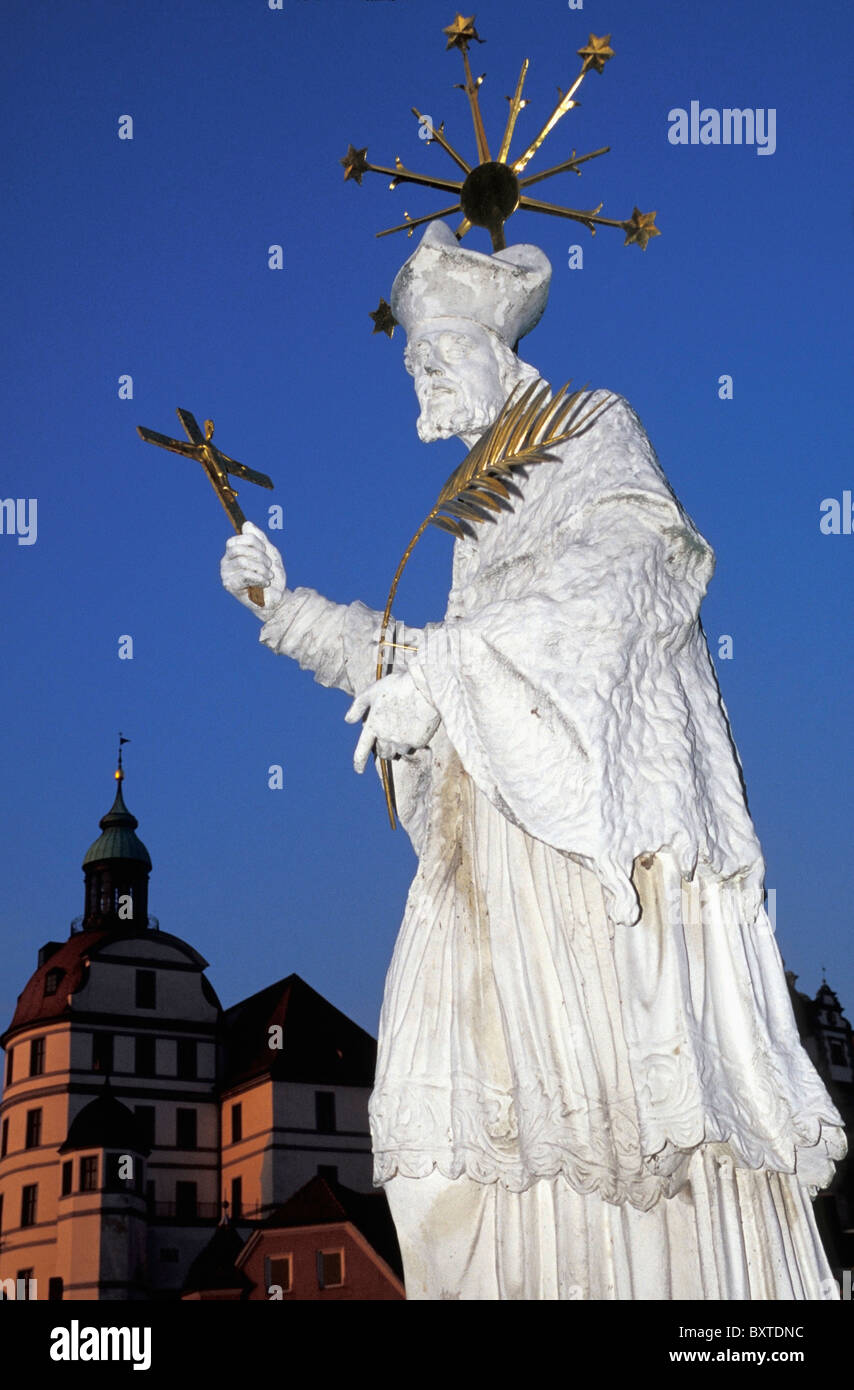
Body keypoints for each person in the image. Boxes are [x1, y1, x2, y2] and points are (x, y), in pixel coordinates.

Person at [221, 222, 844, 1300]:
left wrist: (451, 672)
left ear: (485, 346)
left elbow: (630, 577)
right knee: (436, 1161)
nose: (416, 384)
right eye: (409, 363)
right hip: (489, 845)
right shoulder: (477, 503)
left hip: (580, 845)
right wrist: (287, 609)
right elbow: (425, 661)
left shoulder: (591, 430)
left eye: (426, 360)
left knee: (593, 1145)